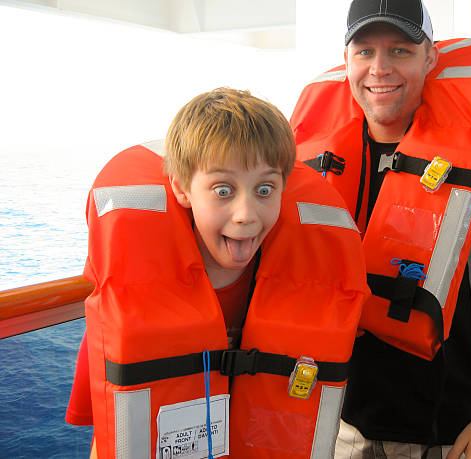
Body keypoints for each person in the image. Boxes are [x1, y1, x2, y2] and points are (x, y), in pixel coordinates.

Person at [291, 1, 471, 458]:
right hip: (342, 431)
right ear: (346, 59)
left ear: (430, 58)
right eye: (365, 51)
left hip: (452, 434)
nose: (380, 68)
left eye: (401, 51)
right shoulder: (312, 162)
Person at [66, 87, 369, 458]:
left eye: (264, 189)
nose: (246, 213)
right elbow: (107, 428)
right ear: (181, 188)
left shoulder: (306, 281)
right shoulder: (129, 304)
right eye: (223, 190)